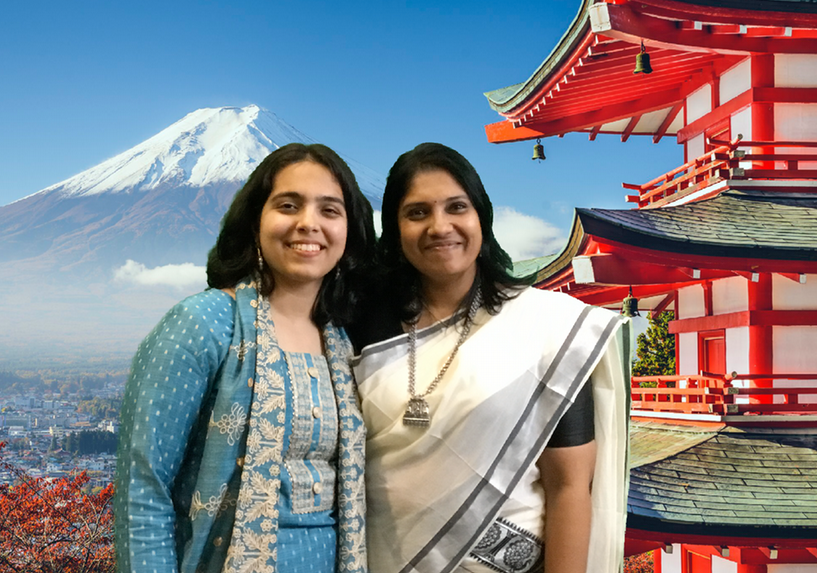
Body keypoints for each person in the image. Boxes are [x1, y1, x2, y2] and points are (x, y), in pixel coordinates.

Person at [350, 143, 630, 573]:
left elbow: (570, 486)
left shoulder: (548, 328)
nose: (439, 226)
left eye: (456, 207)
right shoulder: (360, 329)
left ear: (482, 216)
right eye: (417, 212)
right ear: (394, 228)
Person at [115, 143, 374, 573]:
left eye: (330, 210)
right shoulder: (202, 324)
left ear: (349, 231)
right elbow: (143, 488)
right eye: (288, 206)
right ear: (255, 222)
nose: (308, 224)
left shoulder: (343, 343)